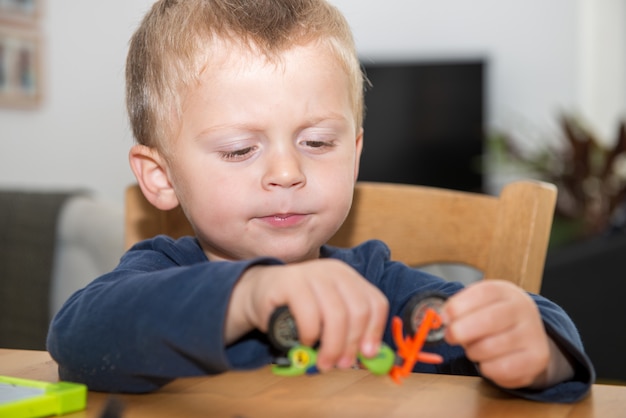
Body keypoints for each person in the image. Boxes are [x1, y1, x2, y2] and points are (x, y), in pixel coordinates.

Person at [47, 0, 594, 402]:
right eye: (239, 150)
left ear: (354, 153)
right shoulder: (158, 274)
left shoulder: (381, 287)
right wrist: (250, 293)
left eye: (317, 143)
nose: (287, 172)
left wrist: (536, 348)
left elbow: (521, 326)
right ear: (160, 176)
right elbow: (78, 338)